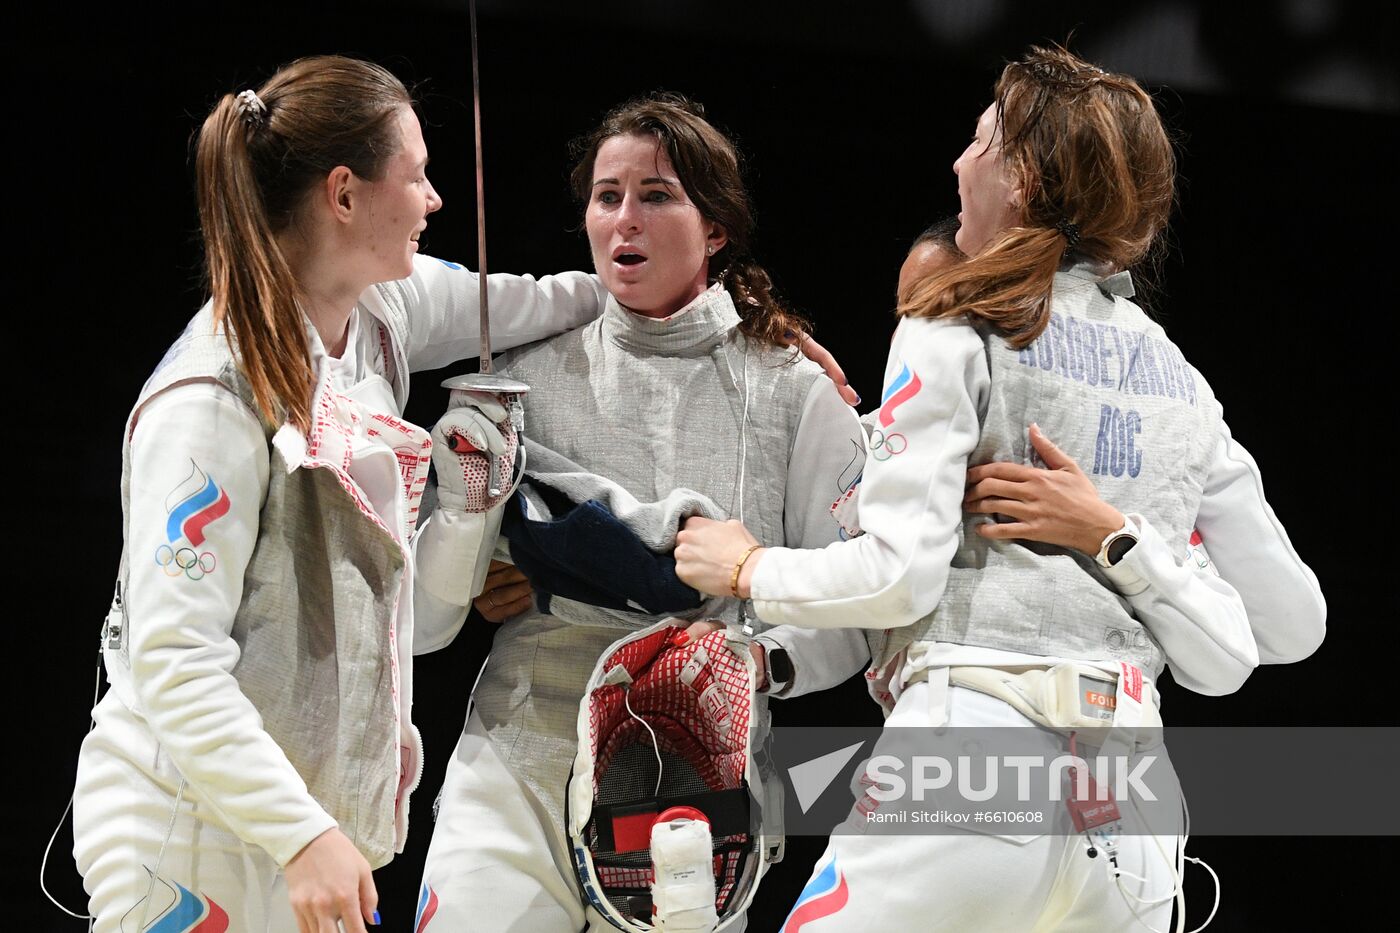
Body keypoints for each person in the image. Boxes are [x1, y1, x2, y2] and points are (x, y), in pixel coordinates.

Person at [675, 45, 1323, 930]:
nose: (958, 163)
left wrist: (750, 567)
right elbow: (1292, 624)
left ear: (1021, 176)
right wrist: (1127, 542)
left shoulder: (955, 323)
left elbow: (898, 577)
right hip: (1134, 809)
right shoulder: (1183, 380)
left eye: (980, 142)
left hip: (972, 759)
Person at [69, 54, 641, 933]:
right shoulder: (209, 400)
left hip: (304, 824)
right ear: (346, 195)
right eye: (415, 176)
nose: (434, 199)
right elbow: (175, 663)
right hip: (185, 827)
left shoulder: (382, 312)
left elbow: (547, 302)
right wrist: (300, 837)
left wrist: (736, 325)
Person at [413, 93, 870, 931]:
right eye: (607, 195)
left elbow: (851, 602)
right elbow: (428, 613)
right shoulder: (523, 380)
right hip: (521, 741)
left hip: (691, 768)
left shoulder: (793, 394)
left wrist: (751, 668)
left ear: (718, 227)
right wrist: (483, 534)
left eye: (657, 195)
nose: (626, 219)